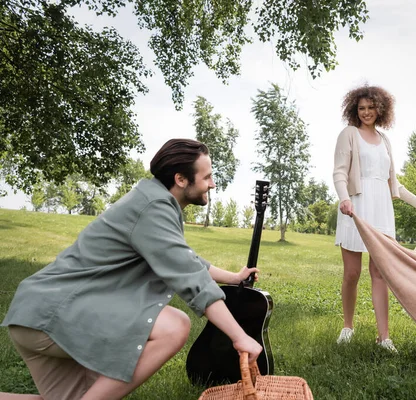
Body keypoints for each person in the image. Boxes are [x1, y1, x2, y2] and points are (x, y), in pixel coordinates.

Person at [0, 139, 262, 400]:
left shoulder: (152, 201)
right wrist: (239, 337)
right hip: (53, 315)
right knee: (174, 326)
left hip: (37, 315)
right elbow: (190, 276)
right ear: (181, 179)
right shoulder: (153, 207)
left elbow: (187, 261)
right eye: (207, 177)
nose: (212, 184)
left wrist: (234, 277)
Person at [333, 85, 416, 352]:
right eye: (361, 108)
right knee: (352, 273)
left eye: (371, 107)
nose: (366, 112)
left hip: (381, 209)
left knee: (380, 273)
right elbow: (339, 172)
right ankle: (347, 326)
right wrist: (344, 197)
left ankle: (384, 337)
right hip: (354, 205)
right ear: (355, 110)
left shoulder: (385, 141)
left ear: (381, 109)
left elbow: (395, 185)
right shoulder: (349, 134)